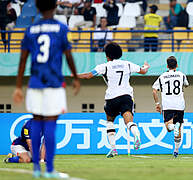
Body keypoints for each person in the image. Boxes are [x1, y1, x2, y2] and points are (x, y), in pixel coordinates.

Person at [13, 0, 80, 178]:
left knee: (37, 123)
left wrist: (18, 86)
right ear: (55, 7)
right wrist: (75, 77)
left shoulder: (30, 30)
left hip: (35, 82)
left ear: (38, 8)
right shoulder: (61, 28)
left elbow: (22, 59)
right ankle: (49, 169)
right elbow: (68, 55)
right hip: (54, 83)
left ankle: (36, 169)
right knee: (50, 125)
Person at [75, 42, 150, 158]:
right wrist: (146, 66)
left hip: (111, 98)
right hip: (126, 96)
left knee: (110, 122)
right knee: (129, 121)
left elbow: (88, 76)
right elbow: (143, 71)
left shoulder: (104, 66)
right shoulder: (127, 64)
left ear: (107, 55)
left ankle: (113, 148)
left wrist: (74, 75)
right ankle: (136, 134)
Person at [152, 56, 189, 158]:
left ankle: (173, 127)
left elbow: (154, 90)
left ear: (167, 66)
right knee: (179, 127)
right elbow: (186, 85)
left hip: (168, 105)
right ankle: (176, 151)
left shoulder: (162, 77)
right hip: (180, 105)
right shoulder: (181, 75)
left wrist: (157, 104)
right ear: (177, 65)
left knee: (169, 128)